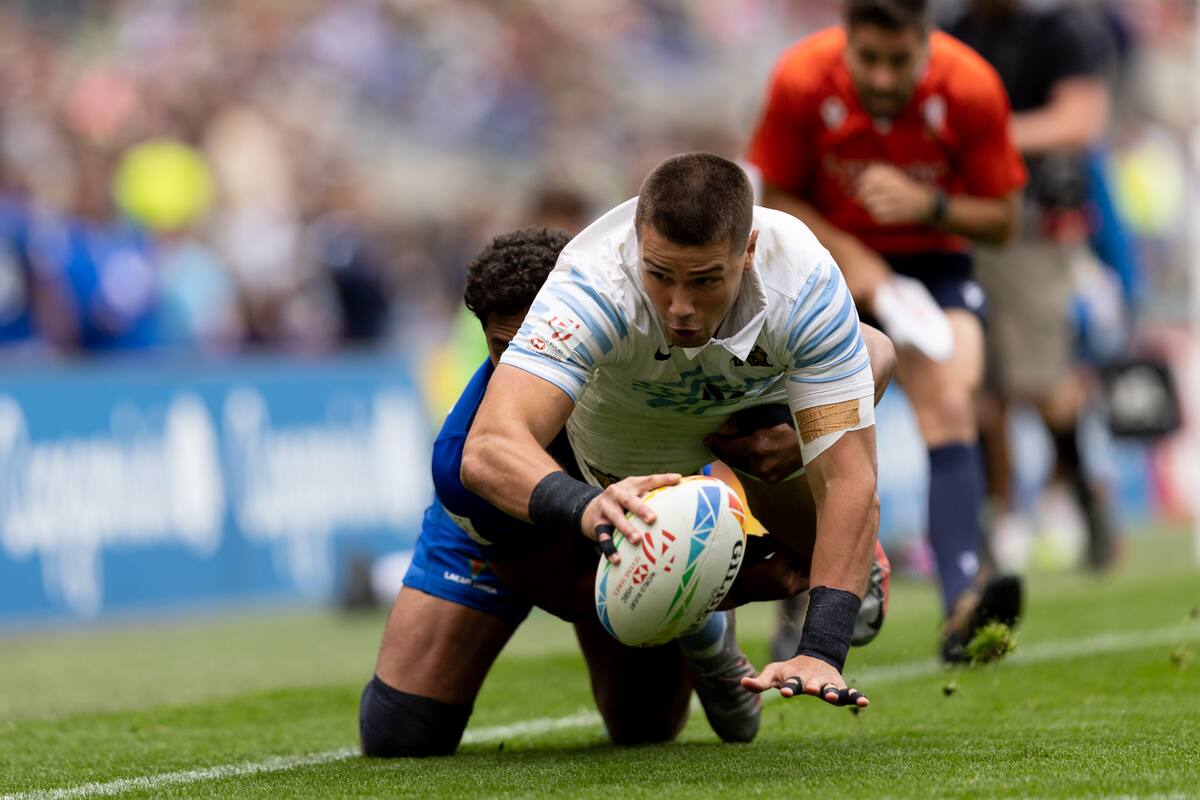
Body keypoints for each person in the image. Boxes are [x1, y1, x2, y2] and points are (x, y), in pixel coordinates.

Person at [361, 223, 898, 757]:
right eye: (509, 348)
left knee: (644, 726)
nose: (534, 359)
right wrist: (729, 586)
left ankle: (713, 622)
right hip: (510, 540)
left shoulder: (652, 337)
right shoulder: (469, 458)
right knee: (401, 734)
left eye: (542, 340)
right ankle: (707, 629)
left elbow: (872, 349)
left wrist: (806, 431)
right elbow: (568, 594)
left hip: (637, 522)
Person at [460, 152, 887, 716]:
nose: (681, 308)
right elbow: (490, 446)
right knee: (642, 722)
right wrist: (585, 506)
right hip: (626, 469)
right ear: (637, 244)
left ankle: (782, 578)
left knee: (877, 355)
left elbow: (848, 480)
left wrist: (821, 650)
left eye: (706, 280)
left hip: (745, 424)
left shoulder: (802, 278)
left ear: (749, 252)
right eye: (659, 276)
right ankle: (709, 628)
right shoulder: (591, 281)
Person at [744, 0, 1027, 661]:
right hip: (823, 265)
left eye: (898, 61)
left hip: (932, 267)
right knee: (797, 431)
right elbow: (774, 196)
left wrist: (927, 204)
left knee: (953, 398)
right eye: (866, 58)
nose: (879, 77)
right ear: (846, 39)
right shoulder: (800, 78)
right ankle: (798, 595)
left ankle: (961, 602)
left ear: (926, 41)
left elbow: (1005, 220)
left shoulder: (971, 86)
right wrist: (857, 258)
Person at [946, 0, 1119, 571]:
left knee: (1045, 385)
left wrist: (987, 134)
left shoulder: (1062, 27)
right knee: (977, 391)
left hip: (1034, 228)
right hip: (965, 223)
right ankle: (995, 524)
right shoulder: (958, 31)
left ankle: (1087, 499)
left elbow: (1080, 120)